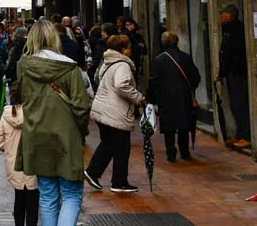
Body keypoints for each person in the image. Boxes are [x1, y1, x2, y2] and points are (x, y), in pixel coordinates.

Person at [16, 18, 91, 226]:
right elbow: (81, 106)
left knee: (48, 196)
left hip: (36, 135)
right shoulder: (70, 68)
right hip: (66, 136)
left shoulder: (23, 66)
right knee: (71, 193)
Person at [84, 34, 145, 194]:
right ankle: (119, 182)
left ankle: (93, 172)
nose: (131, 50)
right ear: (123, 49)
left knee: (109, 144)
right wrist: (138, 97)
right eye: (129, 47)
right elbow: (121, 85)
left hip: (103, 109)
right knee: (121, 147)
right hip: (114, 111)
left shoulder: (108, 61)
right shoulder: (123, 65)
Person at [0, 82, 40, 226]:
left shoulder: (7, 114)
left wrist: (10, 148)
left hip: (13, 164)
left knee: (18, 199)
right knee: (32, 201)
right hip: (32, 163)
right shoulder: (35, 115)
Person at [147, 31, 201, 162]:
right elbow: (195, 77)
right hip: (184, 96)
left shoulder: (159, 59)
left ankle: (171, 153)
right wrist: (190, 89)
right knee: (183, 124)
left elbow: (153, 80)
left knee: (169, 126)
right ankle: (184, 151)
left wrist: (150, 97)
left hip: (166, 97)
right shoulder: (186, 57)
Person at [218, 4, 252, 149]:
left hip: (238, 73)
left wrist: (230, 69)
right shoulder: (227, 30)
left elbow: (234, 53)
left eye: (223, 14)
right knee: (234, 105)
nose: (220, 17)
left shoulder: (237, 30)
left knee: (240, 105)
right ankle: (239, 134)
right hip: (231, 74)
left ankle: (246, 135)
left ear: (230, 15)